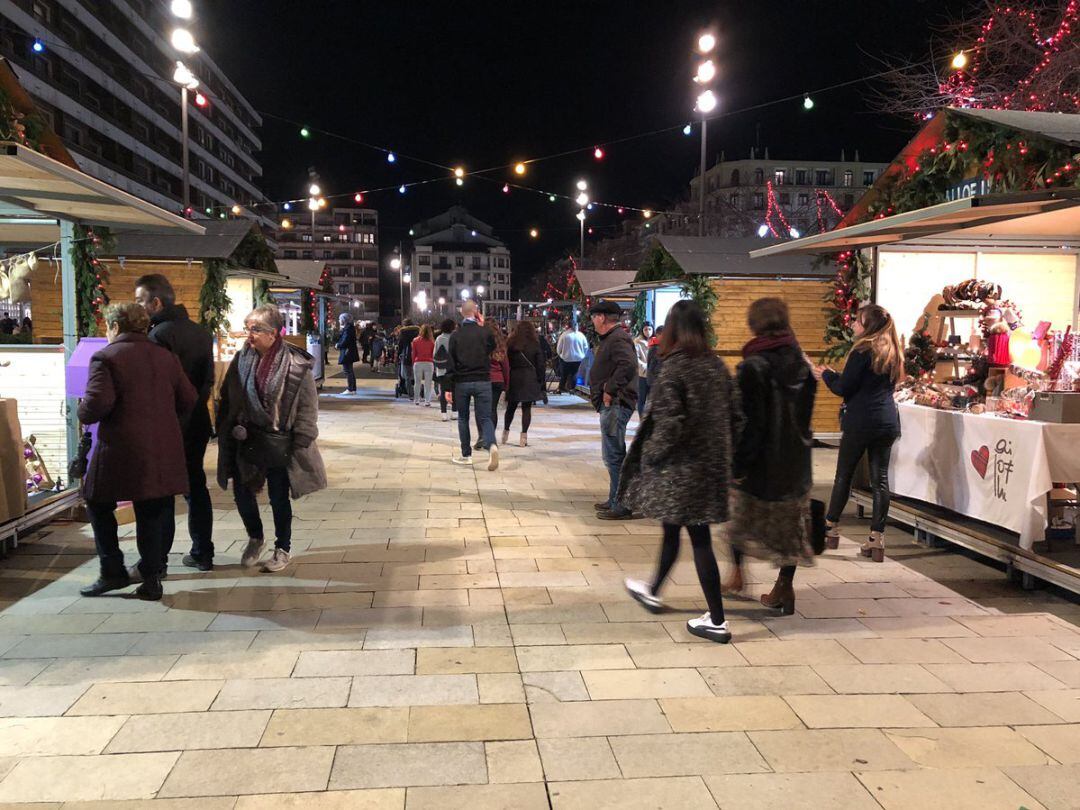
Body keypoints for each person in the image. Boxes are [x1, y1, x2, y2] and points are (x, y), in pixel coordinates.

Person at [620, 301, 736, 642]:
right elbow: (735, 415)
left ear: (672, 329)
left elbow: (670, 422)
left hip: (682, 470)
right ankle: (653, 589)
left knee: (699, 539)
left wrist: (651, 454)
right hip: (709, 466)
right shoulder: (716, 366)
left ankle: (717, 620)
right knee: (672, 529)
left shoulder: (674, 368)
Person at [78, 303, 196, 600]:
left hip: (121, 448)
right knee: (152, 511)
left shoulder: (106, 357)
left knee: (97, 502)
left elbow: (96, 406)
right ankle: (152, 578)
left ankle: (112, 571)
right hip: (162, 448)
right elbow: (188, 398)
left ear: (115, 326)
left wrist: (81, 407)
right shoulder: (166, 357)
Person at [216, 305, 327, 573]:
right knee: (242, 492)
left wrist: (302, 436)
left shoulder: (296, 364)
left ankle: (282, 548)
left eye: (256, 330)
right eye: (248, 328)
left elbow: (307, 406)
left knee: (279, 496)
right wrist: (228, 426)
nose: (250, 335)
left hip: (280, 440)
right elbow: (228, 396)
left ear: (273, 334)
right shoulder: (241, 359)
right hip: (247, 438)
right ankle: (255, 537)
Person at [724, 297, 817, 615]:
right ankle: (783, 588)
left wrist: (739, 464)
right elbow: (805, 418)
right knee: (791, 528)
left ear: (756, 324)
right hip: (795, 461)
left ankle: (737, 576)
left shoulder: (753, 366)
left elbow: (751, 422)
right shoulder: (802, 365)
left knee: (739, 522)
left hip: (762, 462)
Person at [134, 274, 216, 573]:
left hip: (169, 425)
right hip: (197, 421)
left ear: (156, 302)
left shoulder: (158, 336)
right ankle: (203, 552)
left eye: (140, 301)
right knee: (195, 486)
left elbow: (158, 387)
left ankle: (159, 560)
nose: (138, 307)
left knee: (163, 490)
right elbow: (208, 380)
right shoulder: (201, 333)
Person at [813, 304, 902, 562]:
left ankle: (830, 527)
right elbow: (869, 384)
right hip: (886, 420)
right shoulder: (893, 351)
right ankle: (877, 537)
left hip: (861, 421)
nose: (853, 325)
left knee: (844, 475)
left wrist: (827, 375)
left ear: (868, 325)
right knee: (880, 479)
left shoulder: (862, 350)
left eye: (857, 321)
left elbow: (844, 387)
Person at [588, 301, 638, 519]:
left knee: (614, 456)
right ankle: (614, 499)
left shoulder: (618, 338)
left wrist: (609, 390)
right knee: (612, 455)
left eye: (593, 317)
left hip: (616, 403)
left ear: (601, 317)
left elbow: (627, 365)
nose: (592, 322)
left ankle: (622, 504)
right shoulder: (614, 338)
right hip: (613, 403)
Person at [445, 299, 499, 470]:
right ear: (476, 312)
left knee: (463, 418)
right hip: (483, 379)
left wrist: (448, 387)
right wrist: (483, 326)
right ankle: (491, 445)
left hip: (462, 381)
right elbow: (492, 347)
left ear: (462, 313)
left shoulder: (455, 336)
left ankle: (466, 455)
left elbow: (450, 363)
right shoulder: (485, 333)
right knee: (485, 417)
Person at [503, 320, 547, 447]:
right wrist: (540, 380)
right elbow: (540, 365)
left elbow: (507, 362)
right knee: (526, 408)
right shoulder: (535, 344)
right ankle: (523, 438)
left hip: (515, 376)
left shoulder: (511, 343)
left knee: (510, 407)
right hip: (530, 377)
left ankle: (505, 433)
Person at [481, 322, 509, 449]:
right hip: (498, 380)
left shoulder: (481, 344)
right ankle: (491, 438)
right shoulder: (500, 346)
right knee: (493, 409)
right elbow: (506, 366)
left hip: (484, 379)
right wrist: (507, 383)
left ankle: (485, 437)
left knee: (484, 410)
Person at [556, 321, 589, 394]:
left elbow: (558, 348)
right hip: (578, 358)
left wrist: (561, 355)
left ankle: (561, 388)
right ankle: (572, 388)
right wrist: (582, 354)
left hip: (566, 358)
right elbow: (586, 347)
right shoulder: (581, 335)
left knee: (564, 374)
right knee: (574, 374)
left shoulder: (564, 335)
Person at [434, 319, 456, 421]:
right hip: (454, 368)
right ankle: (454, 412)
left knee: (443, 391)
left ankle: (444, 413)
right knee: (454, 391)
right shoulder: (455, 338)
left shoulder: (439, 338)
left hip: (442, 369)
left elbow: (435, 355)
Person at [411, 323, 437, 406]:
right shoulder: (432, 342)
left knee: (417, 382)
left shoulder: (415, 340)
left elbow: (413, 353)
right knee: (428, 383)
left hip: (418, 362)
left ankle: (417, 400)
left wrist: (413, 362)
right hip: (429, 363)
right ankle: (427, 401)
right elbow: (433, 354)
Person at [335, 313, 360, 395]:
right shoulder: (350, 328)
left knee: (347, 371)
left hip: (347, 352)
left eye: (340, 319)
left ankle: (350, 389)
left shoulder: (348, 329)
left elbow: (345, 340)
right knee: (350, 370)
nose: (339, 321)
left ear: (344, 320)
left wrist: (338, 345)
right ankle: (353, 389)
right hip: (349, 351)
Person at [634, 322, 654, 417]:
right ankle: (642, 420)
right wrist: (646, 367)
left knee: (652, 399)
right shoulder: (637, 342)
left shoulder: (656, 342)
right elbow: (635, 358)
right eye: (645, 329)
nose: (648, 331)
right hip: (643, 374)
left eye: (650, 329)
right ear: (642, 330)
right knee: (642, 399)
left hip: (653, 375)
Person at [397, 319, 420, 398]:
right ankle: (417, 391)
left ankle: (410, 393)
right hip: (417, 356)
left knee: (407, 376)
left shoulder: (403, 333)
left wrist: (398, 355)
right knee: (416, 375)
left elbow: (400, 345)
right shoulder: (418, 332)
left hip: (406, 356)